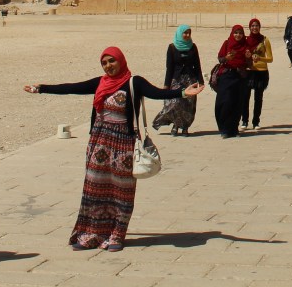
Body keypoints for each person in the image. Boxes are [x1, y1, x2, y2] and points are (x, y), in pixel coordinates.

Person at [24, 47, 200, 250]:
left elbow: (157, 93)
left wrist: (182, 93)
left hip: (123, 144)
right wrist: (41, 88)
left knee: (121, 190)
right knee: (94, 189)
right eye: (104, 63)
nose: (108, 66)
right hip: (99, 143)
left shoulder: (134, 82)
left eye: (111, 61)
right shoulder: (100, 83)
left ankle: (116, 234)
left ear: (121, 60)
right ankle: (92, 233)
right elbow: (71, 87)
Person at [153, 25, 203, 136]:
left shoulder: (193, 47)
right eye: (185, 33)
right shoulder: (172, 48)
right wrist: (166, 85)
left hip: (190, 79)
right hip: (176, 79)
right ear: (180, 33)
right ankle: (175, 124)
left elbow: (197, 65)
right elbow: (169, 67)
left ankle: (185, 127)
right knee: (175, 103)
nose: (187, 35)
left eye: (189, 33)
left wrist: (201, 81)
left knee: (189, 105)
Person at [214, 26, 252, 137]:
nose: (238, 35)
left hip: (240, 77)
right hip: (227, 76)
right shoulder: (227, 43)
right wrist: (226, 58)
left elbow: (249, 64)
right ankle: (224, 128)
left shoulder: (245, 45)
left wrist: (249, 57)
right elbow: (220, 58)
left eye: (240, 33)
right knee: (224, 102)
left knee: (237, 103)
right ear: (232, 33)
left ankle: (234, 129)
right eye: (236, 33)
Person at [240, 19, 273, 130]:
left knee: (258, 98)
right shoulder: (245, 40)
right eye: (253, 26)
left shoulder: (264, 40)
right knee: (245, 97)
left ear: (260, 27)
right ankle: (244, 121)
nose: (255, 27)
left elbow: (270, 59)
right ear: (249, 27)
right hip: (249, 71)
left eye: (257, 25)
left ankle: (256, 122)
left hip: (261, 72)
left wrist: (260, 58)